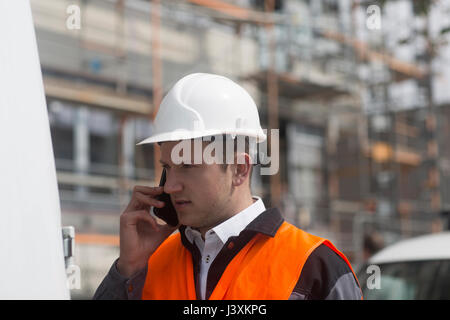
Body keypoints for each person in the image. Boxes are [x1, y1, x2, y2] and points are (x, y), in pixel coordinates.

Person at [93, 73, 362, 300]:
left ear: (239, 169)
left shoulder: (315, 266)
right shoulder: (147, 264)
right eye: (167, 168)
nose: (171, 186)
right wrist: (127, 269)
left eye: (188, 166)